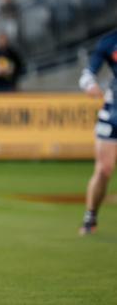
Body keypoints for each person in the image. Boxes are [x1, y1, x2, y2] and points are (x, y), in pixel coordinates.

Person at [78, 29, 117, 235]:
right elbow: (87, 74)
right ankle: (90, 216)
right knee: (104, 169)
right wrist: (90, 85)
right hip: (113, 111)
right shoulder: (110, 41)